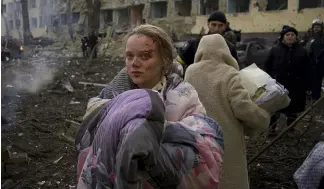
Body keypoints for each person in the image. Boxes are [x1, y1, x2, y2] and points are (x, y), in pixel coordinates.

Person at [75, 24, 224, 189]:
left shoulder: (184, 97)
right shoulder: (110, 95)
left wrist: (152, 130)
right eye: (129, 56)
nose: (134, 63)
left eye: (145, 56)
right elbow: (91, 140)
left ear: (164, 60)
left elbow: (205, 147)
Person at [184, 34, 270, 189]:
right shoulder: (230, 73)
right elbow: (242, 107)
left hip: (197, 136)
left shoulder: (190, 71)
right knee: (228, 178)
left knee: (201, 177)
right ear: (225, 51)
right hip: (226, 139)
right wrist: (263, 118)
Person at [264, 26, 309, 132]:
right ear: (283, 37)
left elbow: (307, 69)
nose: (290, 37)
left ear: (296, 37)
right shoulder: (275, 49)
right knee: (275, 108)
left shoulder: (302, 51)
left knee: (292, 109)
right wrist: (268, 81)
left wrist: (306, 85)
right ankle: (272, 129)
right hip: (278, 84)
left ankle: (290, 129)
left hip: (295, 85)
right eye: (287, 35)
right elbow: (267, 66)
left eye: (292, 35)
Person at [307, 19, 324, 100]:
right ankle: (312, 93)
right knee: (311, 79)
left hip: (320, 63)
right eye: (315, 27)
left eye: (318, 27)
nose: (316, 29)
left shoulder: (322, 37)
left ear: (321, 28)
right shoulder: (310, 37)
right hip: (311, 62)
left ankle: (316, 97)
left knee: (317, 80)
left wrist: (319, 56)